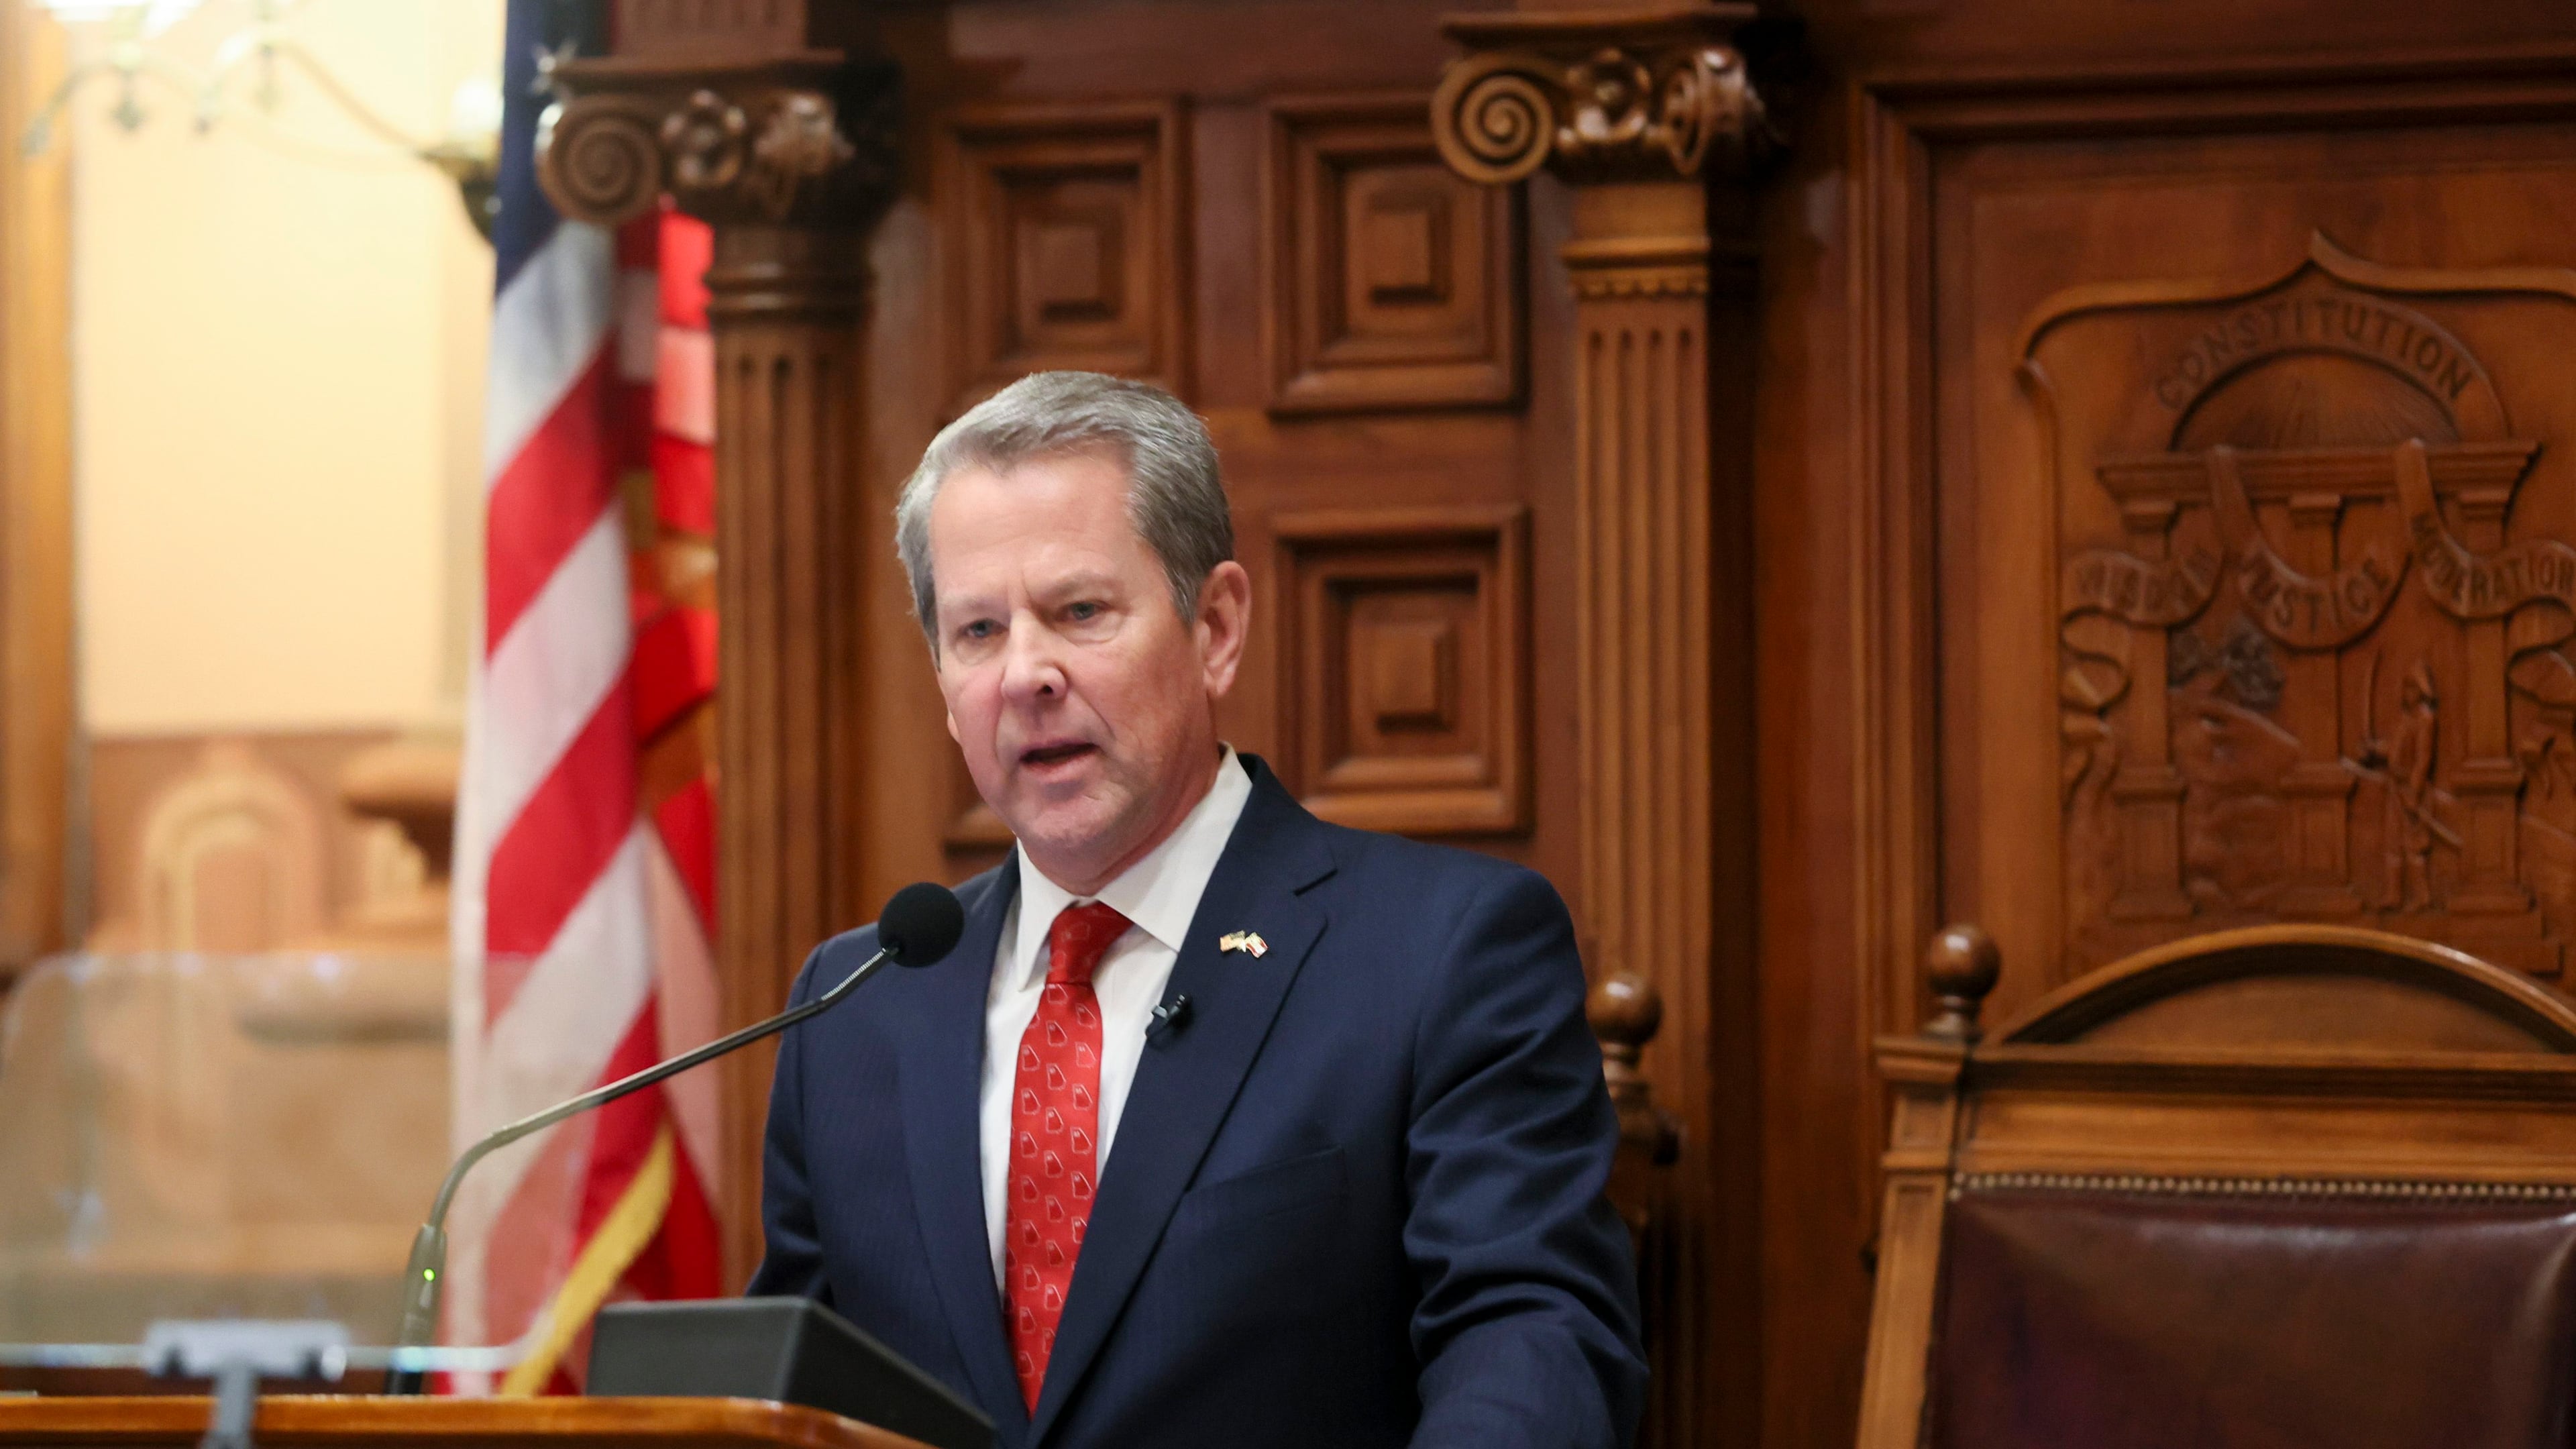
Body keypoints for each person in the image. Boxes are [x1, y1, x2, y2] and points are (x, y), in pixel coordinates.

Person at [749, 371, 1644, 1449]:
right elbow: (787, 1400)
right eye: (979, 631)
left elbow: (1533, 1336)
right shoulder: (857, 1008)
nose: (1027, 673)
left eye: (1079, 611)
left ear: (1215, 626)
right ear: (943, 682)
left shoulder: (1442, 954)